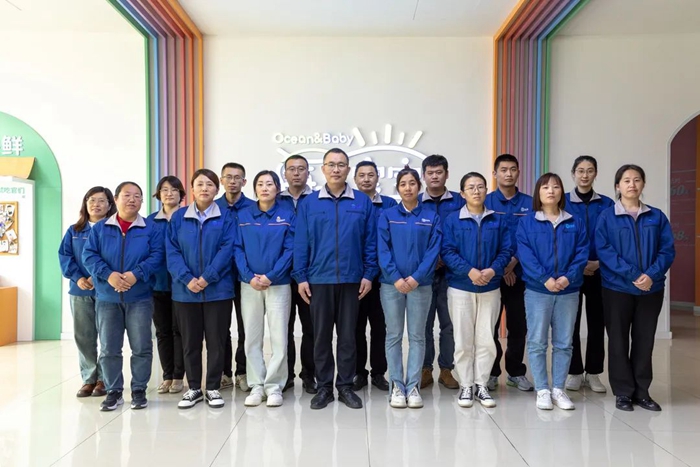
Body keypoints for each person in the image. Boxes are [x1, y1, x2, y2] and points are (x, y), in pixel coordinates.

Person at [293, 147, 377, 410]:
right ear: (323, 169)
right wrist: (301, 277)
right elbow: (301, 243)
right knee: (320, 336)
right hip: (319, 280)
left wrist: (368, 274)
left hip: (352, 280)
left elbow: (370, 242)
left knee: (348, 336)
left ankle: (345, 386)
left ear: (348, 169)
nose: (336, 169)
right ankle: (324, 387)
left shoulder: (362, 202)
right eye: (331, 164)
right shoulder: (309, 204)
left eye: (341, 165)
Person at [596, 164, 675, 412]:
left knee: (644, 340)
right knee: (618, 340)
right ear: (617, 186)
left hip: (651, 289)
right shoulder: (607, 217)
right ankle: (623, 392)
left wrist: (651, 275)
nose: (632, 184)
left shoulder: (657, 216)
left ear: (643, 184)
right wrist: (633, 274)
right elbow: (604, 251)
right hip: (617, 288)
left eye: (637, 179)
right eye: (627, 180)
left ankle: (642, 392)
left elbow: (667, 250)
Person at [82, 181, 164, 411]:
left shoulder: (150, 228)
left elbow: (157, 256)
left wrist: (136, 274)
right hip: (107, 298)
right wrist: (108, 275)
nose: (132, 200)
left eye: (137, 196)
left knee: (141, 347)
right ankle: (114, 391)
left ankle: (138, 390)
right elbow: (89, 255)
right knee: (109, 348)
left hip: (140, 297)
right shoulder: (101, 228)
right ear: (116, 200)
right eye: (127, 195)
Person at [516, 173, 589, 410]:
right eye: (545, 187)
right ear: (538, 192)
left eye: (556, 187)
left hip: (569, 290)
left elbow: (582, 253)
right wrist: (545, 279)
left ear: (561, 192)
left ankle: (558, 388)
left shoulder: (574, 221)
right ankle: (542, 390)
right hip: (538, 290)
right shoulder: (527, 222)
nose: (551, 191)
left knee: (564, 342)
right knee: (537, 342)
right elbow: (525, 254)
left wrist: (568, 277)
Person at [168, 169, 237, 409]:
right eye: (200, 184)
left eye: (210, 184)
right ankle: (195, 388)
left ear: (217, 189)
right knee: (190, 342)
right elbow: (172, 251)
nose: (205, 188)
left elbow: (228, 250)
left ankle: (214, 387)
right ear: (192, 189)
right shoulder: (179, 217)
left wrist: (207, 278)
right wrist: (187, 278)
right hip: (185, 291)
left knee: (217, 341)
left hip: (218, 290)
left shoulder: (226, 217)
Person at [442, 172, 512, 409]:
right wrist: (469, 271)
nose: (476, 191)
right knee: (463, 340)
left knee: (486, 339)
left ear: (486, 191)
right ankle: (465, 384)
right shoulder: (452, 220)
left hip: (490, 287)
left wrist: (492, 271)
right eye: (470, 187)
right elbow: (447, 251)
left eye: (480, 186)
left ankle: (481, 384)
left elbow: (506, 250)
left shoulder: (497, 220)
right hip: (461, 287)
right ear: (462, 193)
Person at [378, 166, 441, 408]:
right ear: (397, 188)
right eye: (403, 184)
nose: (408, 188)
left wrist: (416, 278)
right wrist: (395, 277)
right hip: (391, 285)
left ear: (419, 186)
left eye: (412, 183)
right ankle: (396, 386)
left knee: (417, 336)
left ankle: (413, 386)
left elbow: (433, 251)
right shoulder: (387, 216)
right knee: (393, 335)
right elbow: (383, 250)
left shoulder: (431, 217)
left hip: (420, 285)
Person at [234, 171, 295, 407]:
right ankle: (256, 385)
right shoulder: (243, 215)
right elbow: (237, 248)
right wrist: (249, 277)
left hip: (278, 284)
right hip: (249, 284)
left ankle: (274, 386)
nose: (265, 188)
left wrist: (271, 276)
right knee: (252, 336)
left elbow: (290, 249)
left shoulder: (287, 214)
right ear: (255, 189)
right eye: (260, 184)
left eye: (270, 184)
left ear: (277, 188)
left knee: (279, 336)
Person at [59, 186, 116, 399]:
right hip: (80, 290)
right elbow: (65, 256)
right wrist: (79, 278)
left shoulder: (113, 230)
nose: (96, 204)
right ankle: (89, 378)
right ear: (85, 203)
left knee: (107, 336)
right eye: (91, 200)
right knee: (84, 335)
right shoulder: (74, 231)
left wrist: (96, 276)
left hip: (106, 290)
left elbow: (115, 257)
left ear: (109, 205)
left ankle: (104, 379)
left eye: (101, 201)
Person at [484, 154, 534, 392]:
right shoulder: (485, 201)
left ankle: (515, 372)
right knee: (490, 326)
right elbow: (483, 238)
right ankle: (492, 372)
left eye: (513, 169)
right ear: (495, 174)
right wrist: (502, 267)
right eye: (503, 170)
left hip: (521, 275)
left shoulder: (530, 203)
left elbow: (532, 238)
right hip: (493, 275)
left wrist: (513, 263)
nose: (508, 174)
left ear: (518, 173)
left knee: (518, 326)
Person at [564, 156, 614, 394]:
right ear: (573, 173)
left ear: (596, 174)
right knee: (570, 324)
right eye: (580, 170)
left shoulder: (607, 204)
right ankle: (574, 372)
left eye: (590, 170)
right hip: (572, 272)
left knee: (597, 323)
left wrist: (598, 263)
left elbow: (614, 238)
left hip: (600, 271)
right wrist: (579, 264)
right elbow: (558, 238)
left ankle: (593, 372)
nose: (585, 175)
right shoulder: (563, 202)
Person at [418, 154, 464, 390]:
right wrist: (428, 260)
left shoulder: (460, 201)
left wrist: (445, 258)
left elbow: (463, 235)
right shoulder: (415, 201)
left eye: (439, 172)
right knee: (423, 324)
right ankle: (425, 369)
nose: (434, 176)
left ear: (447, 174)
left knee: (449, 324)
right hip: (423, 275)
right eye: (430, 173)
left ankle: (446, 369)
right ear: (423, 176)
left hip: (451, 274)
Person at [352, 160, 397, 392]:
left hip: (383, 278)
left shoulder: (389, 204)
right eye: (362, 175)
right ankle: (359, 372)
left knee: (380, 327)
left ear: (378, 177)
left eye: (371, 175)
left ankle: (379, 373)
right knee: (356, 327)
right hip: (355, 276)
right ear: (355, 179)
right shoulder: (350, 203)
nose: (366, 179)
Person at [278, 155, 317, 394]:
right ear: (284, 173)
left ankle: (309, 374)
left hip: (309, 275)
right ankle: (287, 375)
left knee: (311, 328)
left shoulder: (316, 200)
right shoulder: (276, 199)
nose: (296, 173)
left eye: (301, 169)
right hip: (281, 275)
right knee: (284, 328)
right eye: (291, 169)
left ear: (308, 173)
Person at [215, 162, 255, 392]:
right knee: (220, 328)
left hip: (245, 277)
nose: (232, 181)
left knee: (245, 327)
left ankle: (242, 371)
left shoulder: (253, 207)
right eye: (228, 177)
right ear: (221, 181)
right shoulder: (213, 208)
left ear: (244, 182)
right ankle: (223, 373)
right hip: (219, 278)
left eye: (237, 177)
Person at [148, 176, 187, 395]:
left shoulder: (187, 217)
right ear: (158, 194)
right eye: (164, 189)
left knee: (179, 331)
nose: (169, 193)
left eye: (174, 189)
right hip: (158, 284)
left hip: (182, 284)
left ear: (181, 194)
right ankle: (167, 375)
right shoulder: (150, 221)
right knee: (162, 332)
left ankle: (179, 376)